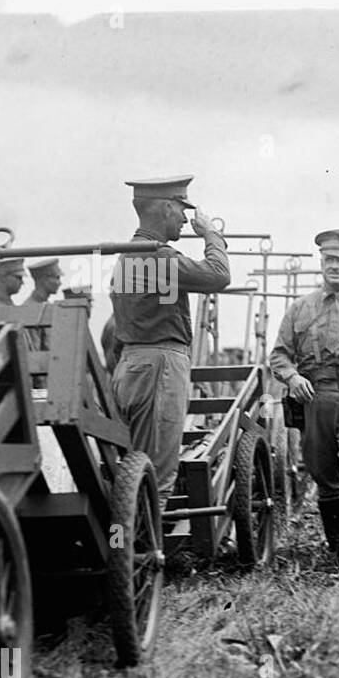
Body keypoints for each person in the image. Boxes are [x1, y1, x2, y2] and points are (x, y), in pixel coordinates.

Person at [110, 176, 231, 501]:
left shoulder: (125, 258)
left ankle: (127, 544)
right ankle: (149, 551)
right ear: (165, 208)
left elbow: (114, 329)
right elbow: (219, 275)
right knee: (157, 478)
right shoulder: (158, 257)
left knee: (136, 468)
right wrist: (211, 235)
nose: (184, 218)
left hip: (130, 367)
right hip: (160, 367)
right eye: (181, 208)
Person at [269, 229, 339, 568]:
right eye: (329, 259)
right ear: (321, 261)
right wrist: (293, 377)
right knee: (321, 469)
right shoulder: (300, 309)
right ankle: (336, 543)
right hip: (316, 398)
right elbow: (279, 355)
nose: (335, 266)